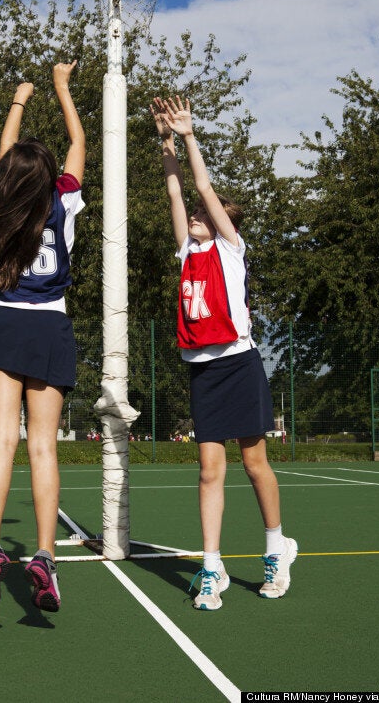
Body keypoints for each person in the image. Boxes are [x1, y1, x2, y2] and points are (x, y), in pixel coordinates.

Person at [150, 95, 297, 611]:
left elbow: (202, 187)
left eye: (202, 214)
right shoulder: (186, 250)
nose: (193, 214)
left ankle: (277, 550)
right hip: (203, 369)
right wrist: (165, 144)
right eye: (192, 214)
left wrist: (189, 137)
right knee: (210, 471)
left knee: (254, 463)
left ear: (220, 224)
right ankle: (212, 569)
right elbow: (175, 191)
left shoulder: (229, 250)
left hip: (239, 360)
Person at [0, 62, 86, 613]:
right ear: (50, 176)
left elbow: (7, 152)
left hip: (3, 320)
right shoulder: (64, 201)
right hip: (48, 325)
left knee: (0, 441)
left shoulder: (3, 202)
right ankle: (42, 555)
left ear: (10, 176)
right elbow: (79, 138)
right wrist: (61, 87)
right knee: (42, 446)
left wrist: (19, 96)